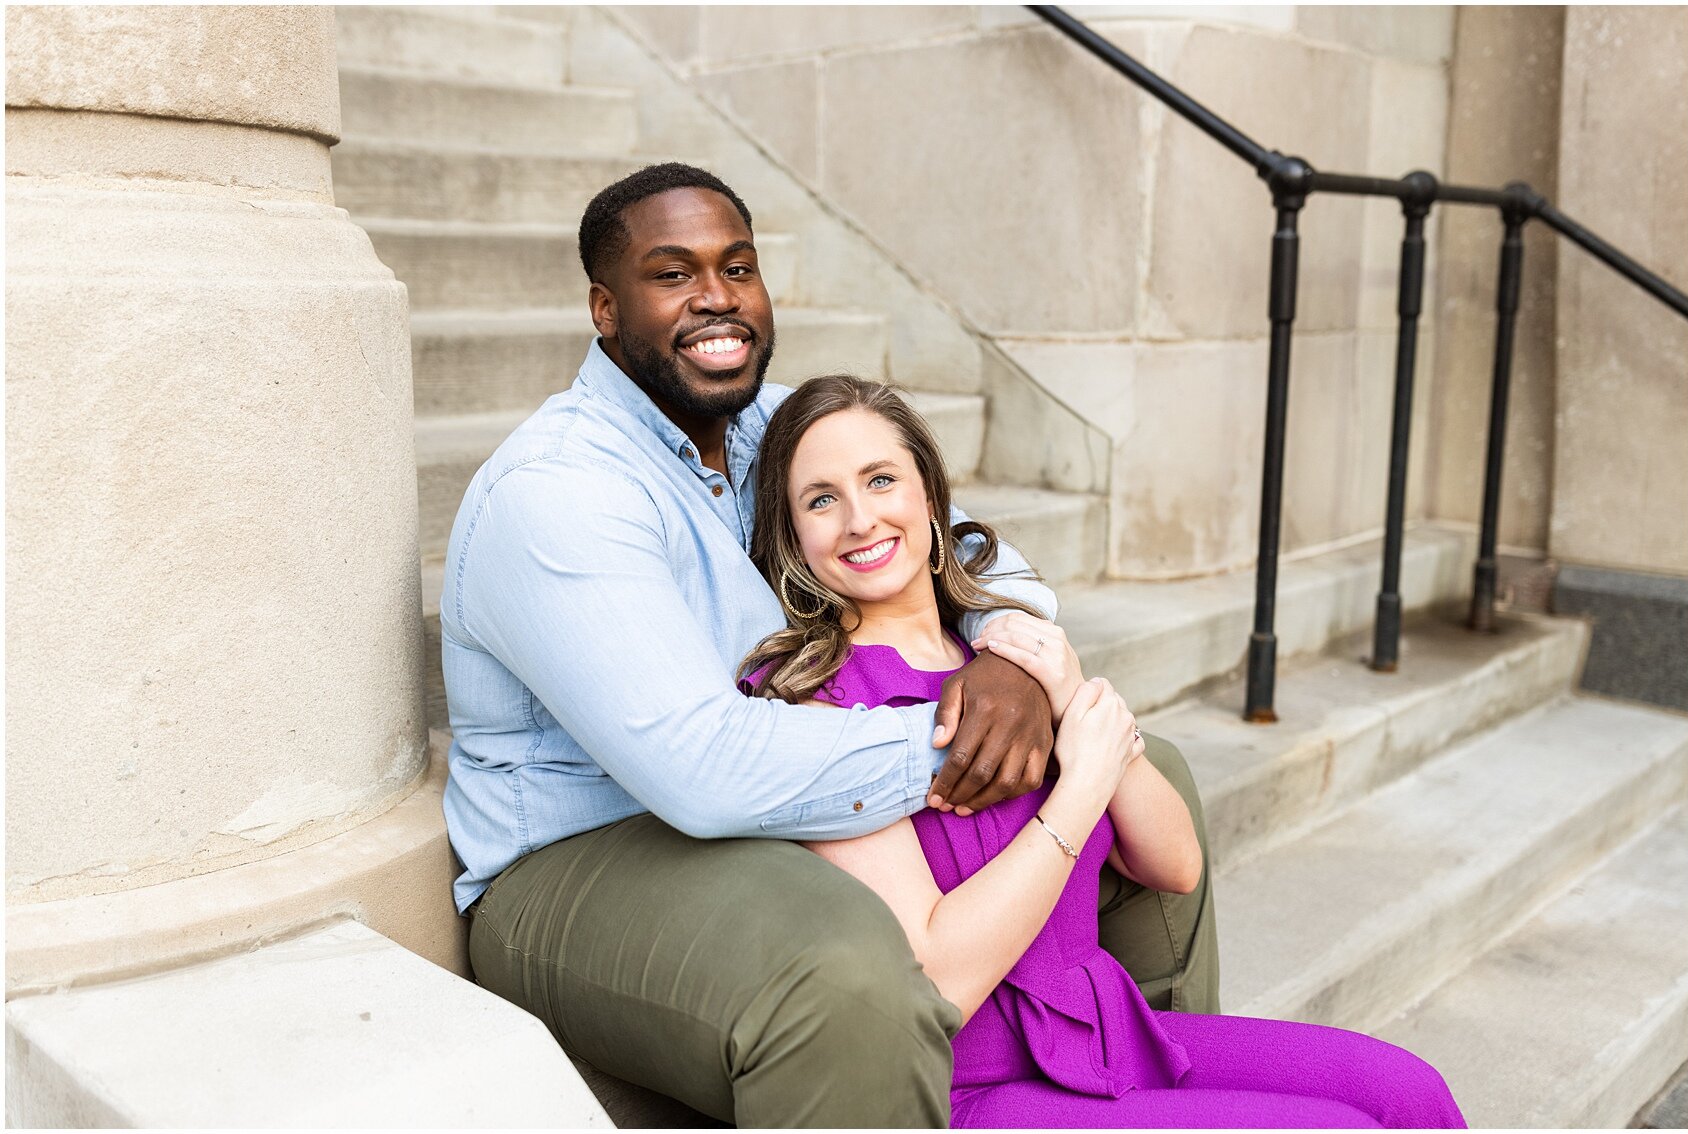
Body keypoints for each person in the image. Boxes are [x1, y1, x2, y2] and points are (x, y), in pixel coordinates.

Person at [442, 161, 1217, 1126]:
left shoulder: (777, 426)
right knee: (845, 968)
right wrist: (969, 743)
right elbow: (701, 771)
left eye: (738, 266)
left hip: (775, 784)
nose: (716, 299)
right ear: (605, 309)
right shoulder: (559, 491)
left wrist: (1016, 664)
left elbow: (968, 547)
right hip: (584, 853)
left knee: (1152, 773)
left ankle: (1151, 1089)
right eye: (673, 275)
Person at [739, 374, 1468, 1129]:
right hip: (972, 1087)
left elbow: (1174, 864)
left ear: (930, 499)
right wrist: (1080, 787)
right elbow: (941, 983)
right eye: (821, 499)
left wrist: (1075, 695)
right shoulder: (814, 704)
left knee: (1405, 1092)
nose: (860, 519)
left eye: (881, 479)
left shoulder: (1007, 654)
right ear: (794, 537)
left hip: (1107, 1038)